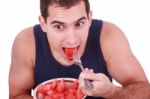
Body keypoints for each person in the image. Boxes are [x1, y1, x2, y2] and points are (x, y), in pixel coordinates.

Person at [9, 0, 150, 99]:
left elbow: (145, 91)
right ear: (43, 24)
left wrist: (111, 91)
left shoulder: (108, 36)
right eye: (59, 26)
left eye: (79, 24)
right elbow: (16, 95)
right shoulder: (26, 43)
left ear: (89, 18)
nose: (72, 40)